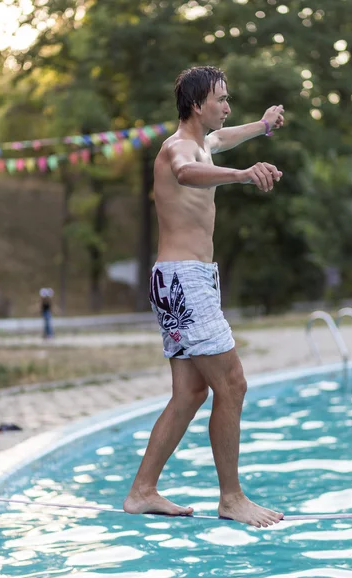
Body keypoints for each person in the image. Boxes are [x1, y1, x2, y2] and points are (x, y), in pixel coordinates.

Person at [124, 66, 284, 528]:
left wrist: (262, 126)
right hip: (185, 281)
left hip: (181, 279)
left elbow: (223, 139)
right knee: (231, 384)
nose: (227, 106)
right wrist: (240, 176)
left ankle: (141, 492)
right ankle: (231, 497)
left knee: (191, 392)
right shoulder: (178, 148)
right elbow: (187, 173)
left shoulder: (202, 142)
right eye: (221, 99)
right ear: (198, 104)